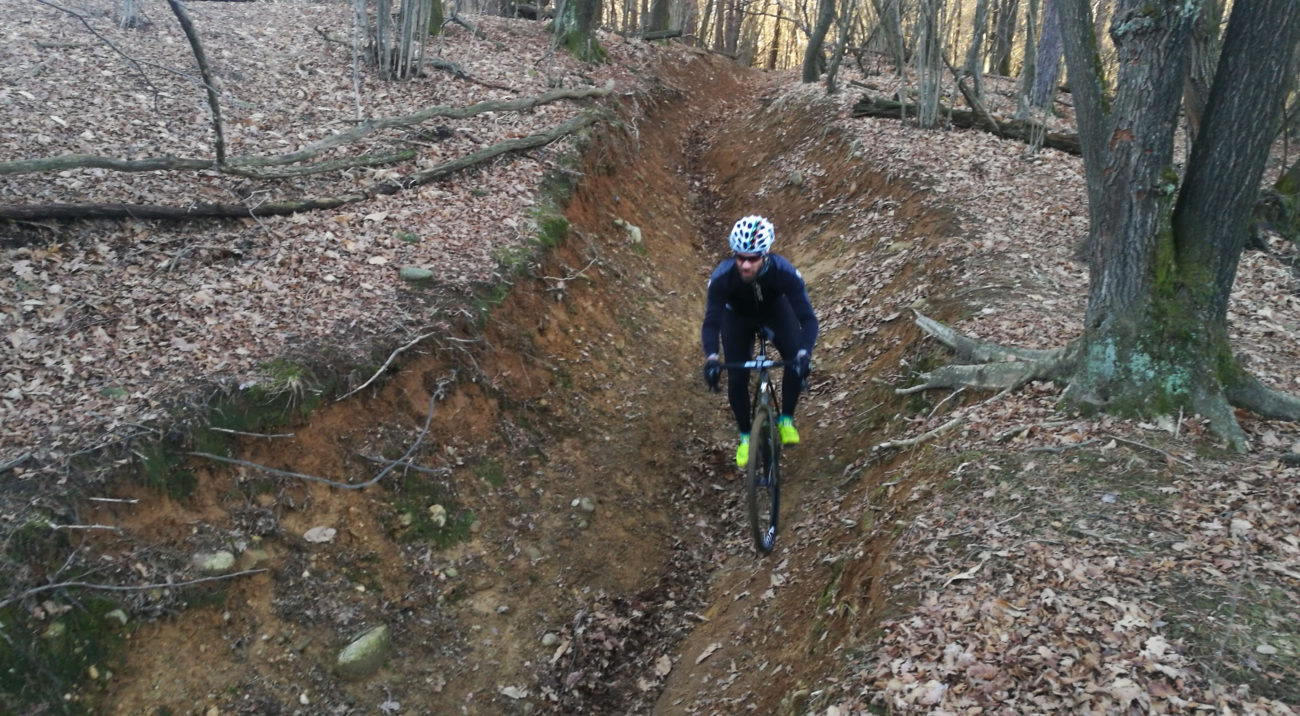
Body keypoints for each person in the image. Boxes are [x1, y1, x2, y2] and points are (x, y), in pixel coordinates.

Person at [701, 215, 818, 468]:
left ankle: (786, 419)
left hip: (776, 312)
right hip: (737, 318)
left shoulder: (783, 272)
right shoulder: (722, 278)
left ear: (765, 255)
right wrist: (711, 357)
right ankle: (745, 437)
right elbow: (711, 322)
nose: (745, 265)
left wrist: (803, 355)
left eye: (752, 258)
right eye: (740, 257)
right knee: (737, 377)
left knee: (793, 359)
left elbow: (808, 320)